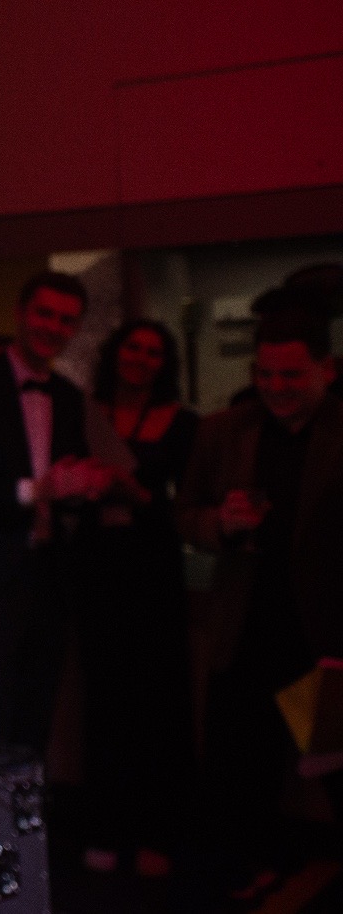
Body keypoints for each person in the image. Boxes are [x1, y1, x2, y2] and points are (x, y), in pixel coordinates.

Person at [178, 306, 343, 903]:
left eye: (291, 375)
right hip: (244, 631)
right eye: (266, 373)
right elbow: (185, 515)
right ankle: (253, 876)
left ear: (327, 368)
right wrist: (220, 523)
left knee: (335, 772)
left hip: (325, 640)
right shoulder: (224, 430)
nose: (275, 387)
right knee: (238, 773)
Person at [74, 321, 198, 877]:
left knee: (157, 707)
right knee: (103, 706)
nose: (141, 359)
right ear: (115, 352)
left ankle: (159, 837)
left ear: (164, 362)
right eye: (133, 347)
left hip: (155, 579)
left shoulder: (186, 423)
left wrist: (136, 492)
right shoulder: (81, 410)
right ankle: (103, 830)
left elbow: (187, 507)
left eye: (153, 352)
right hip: (97, 574)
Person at [0, 271, 112, 754]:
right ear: (20, 313)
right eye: (45, 314)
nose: (53, 327)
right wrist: (37, 489)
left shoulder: (71, 397)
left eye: (66, 320)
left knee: (39, 710)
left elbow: (64, 482)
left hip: (51, 575)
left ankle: (29, 819)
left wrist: (83, 488)